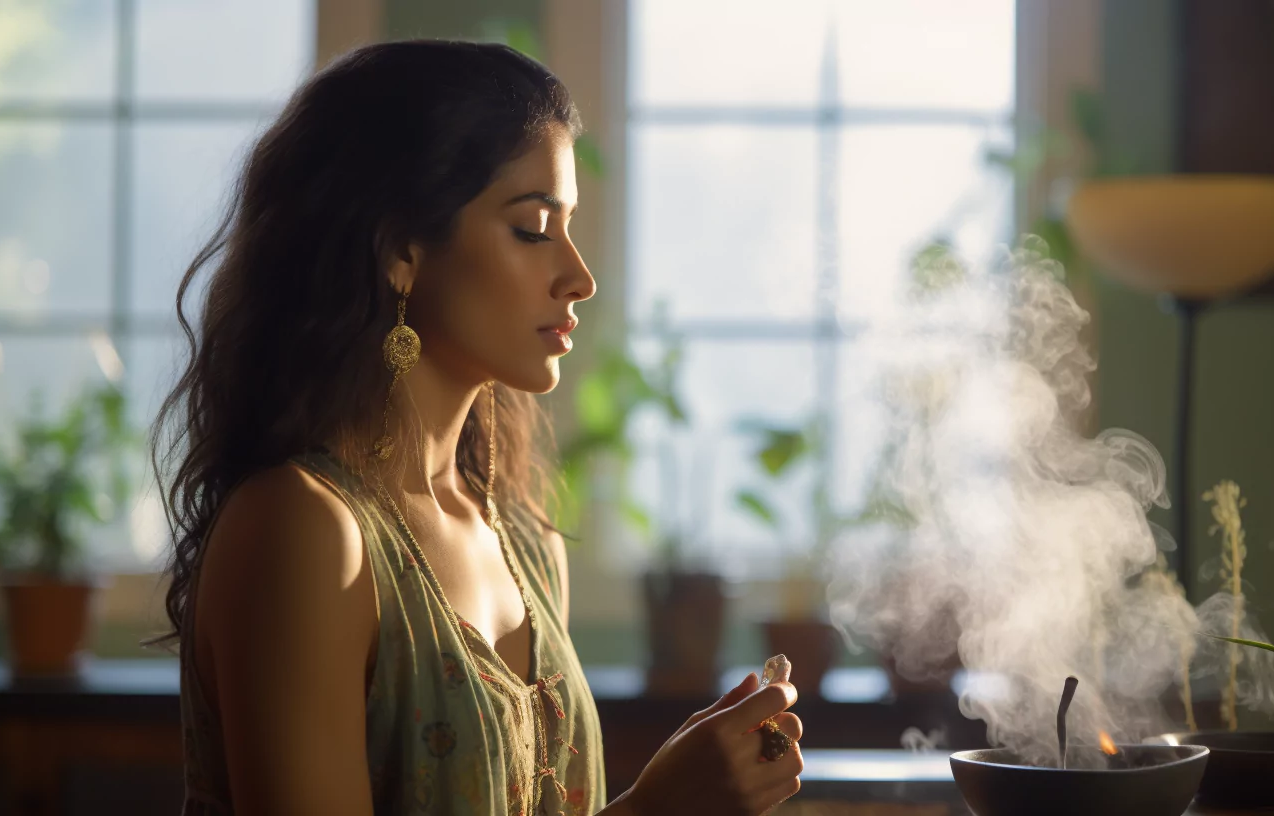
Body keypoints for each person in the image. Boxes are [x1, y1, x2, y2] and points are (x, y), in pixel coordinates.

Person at [149, 40, 804, 815]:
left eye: (571, 226)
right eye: (533, 228)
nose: (578, 276)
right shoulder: (304, 530)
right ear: (400, 250)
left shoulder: (528, 547)